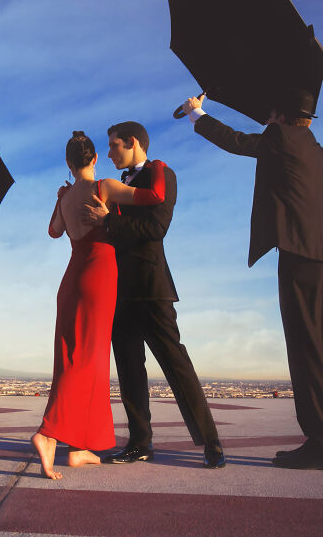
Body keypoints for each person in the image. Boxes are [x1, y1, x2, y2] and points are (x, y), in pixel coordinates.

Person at [181, 88, 323, 471]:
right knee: (320, 354)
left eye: (271, 115)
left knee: (305, 353)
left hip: (301, 258)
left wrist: (197, 114)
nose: (267, 120)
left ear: (282, 117)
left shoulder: (281, 138)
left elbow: (237, 142)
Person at [85, 121, 225, 469]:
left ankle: (211, 443)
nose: (109, 152)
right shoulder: (113, 185)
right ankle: (139, 443)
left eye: (114, 145)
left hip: (151, 288)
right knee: (130, 370)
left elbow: (156, 228)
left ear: (132, 142)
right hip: (119, 290)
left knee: (177, 366)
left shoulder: (160, 174)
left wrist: (109, 221)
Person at [32, 131, 168, 480]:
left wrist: (62, 197)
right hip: (99, 274)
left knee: (70, 356)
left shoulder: (65, 196)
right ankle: (49, 435)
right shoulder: (104, 187)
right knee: (88, 356)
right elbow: (154, 194)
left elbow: (53, 231)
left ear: (68, 163)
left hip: (72, 277)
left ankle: (79, 447)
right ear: (93, 159)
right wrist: (159, 165)